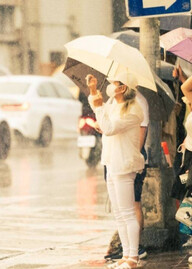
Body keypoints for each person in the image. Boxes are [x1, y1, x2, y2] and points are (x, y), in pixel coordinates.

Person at [87, 72, 144, 269]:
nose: (110, 86)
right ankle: (126, 254)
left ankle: (133, 257)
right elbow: (105, 123)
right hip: (111, 162)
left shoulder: (134, 109)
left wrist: (101, 112)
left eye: (114, 83)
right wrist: (93, 91)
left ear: (123, 88)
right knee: (118, 213)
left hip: (124, 164)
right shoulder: (113, 104)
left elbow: (110, 127)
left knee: (128, 212)